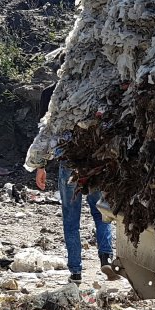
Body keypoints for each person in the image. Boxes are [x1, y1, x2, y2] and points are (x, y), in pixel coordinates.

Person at [25, 118, 119, 285]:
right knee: (100, 213)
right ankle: (106, 257)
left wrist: (41, 166)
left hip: (68, 163)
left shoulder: (52, 98)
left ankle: (75, 272)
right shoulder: (90, 93)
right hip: (93, 160)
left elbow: (45, 136)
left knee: (71, 220)